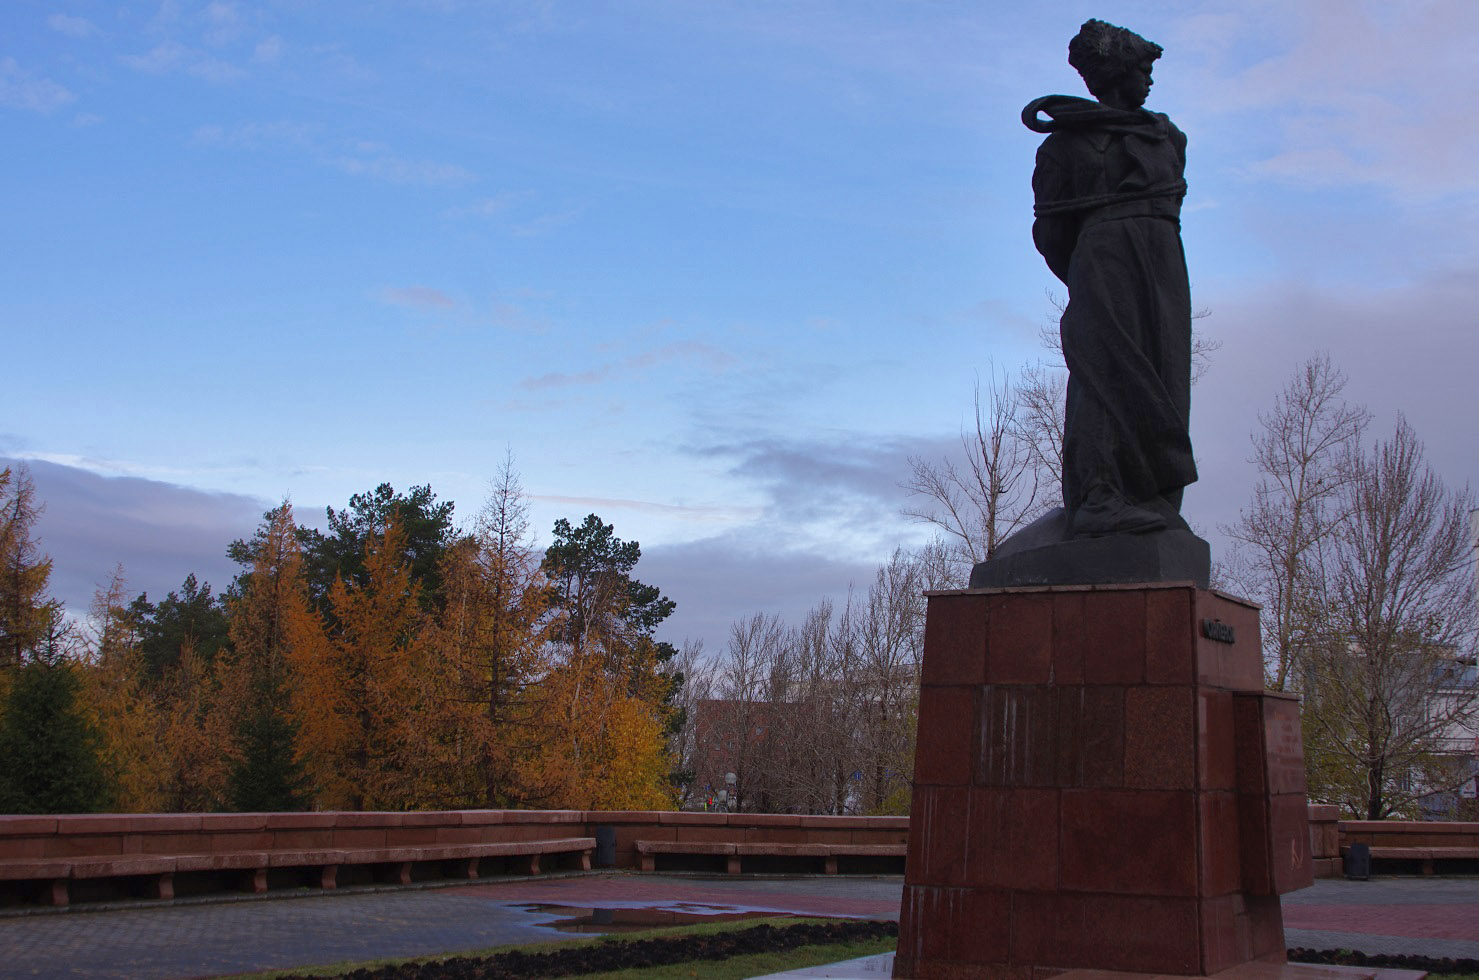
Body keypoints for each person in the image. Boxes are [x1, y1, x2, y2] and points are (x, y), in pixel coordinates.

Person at [1022, 19, 1197, 538]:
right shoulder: (1064, 146)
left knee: (1163, 372)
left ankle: (1146, 491)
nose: (1149, 79)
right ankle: (1098, 495)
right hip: (1102, 260)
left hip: (1163, 262)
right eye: (1142, 68)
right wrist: (1091, 270)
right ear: (1117, 71)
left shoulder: (1169, 138)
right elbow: (1051, 230)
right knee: (1104, 372)